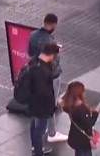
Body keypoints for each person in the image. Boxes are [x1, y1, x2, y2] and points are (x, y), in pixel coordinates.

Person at [29, 14, 67, 145]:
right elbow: (54, 62)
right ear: (53, 24)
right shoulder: (49, 41)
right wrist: (56, 52)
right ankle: (51, 133)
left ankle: (44, 129)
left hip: (37, 73)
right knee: (51, 103)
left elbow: (30, 53)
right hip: (52, 76)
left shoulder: (33, 35)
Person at [27, 43, 60, 156]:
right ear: (51, 55)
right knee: (40, 130)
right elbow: (44, 92)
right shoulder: (43, 70)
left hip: (32, 101)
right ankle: (38, 152)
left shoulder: (33, 62)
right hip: (42, 105)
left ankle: (35, 147)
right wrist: (51, 107)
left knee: (33, 123)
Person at [61, 81, 100, 156]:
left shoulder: (69, 104)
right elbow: (90, 123)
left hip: (75, 136)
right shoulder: (81, 108)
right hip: (83, 140)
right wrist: (96, 112)